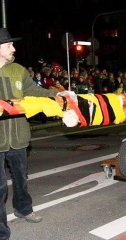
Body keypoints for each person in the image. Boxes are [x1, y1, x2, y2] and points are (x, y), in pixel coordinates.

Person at [0, 28, 76, 240]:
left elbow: (35, 92)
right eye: (9, 45)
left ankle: (24, 209)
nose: (13, 48)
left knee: (21, 177)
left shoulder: (18, 71)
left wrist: (57, 93)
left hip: (18, 136)